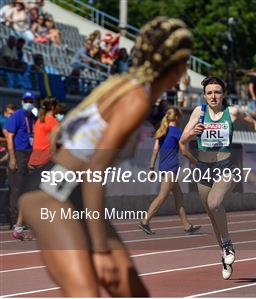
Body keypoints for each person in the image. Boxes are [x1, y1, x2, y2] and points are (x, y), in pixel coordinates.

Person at [18, 17, 193, 296]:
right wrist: (99, 249)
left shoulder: (123, 86)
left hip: (70, 191)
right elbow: (95, 168)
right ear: (181, 67)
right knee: (87, 292)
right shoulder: (136, 98)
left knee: (132, 291)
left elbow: (60, 137)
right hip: (51, 196)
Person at [180, 76, 256, 280]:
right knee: (213, 218)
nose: (213, 96)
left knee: (215, 204)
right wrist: (192, 132)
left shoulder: (232, 112)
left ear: (223, 94)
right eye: (210, 93)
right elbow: (183, 140)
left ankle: (228, 244)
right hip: (204, 168)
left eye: (217, 92)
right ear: (204, 95)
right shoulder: (199, 112)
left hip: (226, 166)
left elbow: (254, 123)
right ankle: (224, 252)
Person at [138, 107, 201, 235]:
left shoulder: (162, 132)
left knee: (179, 196)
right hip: (170, 169)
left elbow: (155, 150)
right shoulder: (177, 132)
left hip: (164, 167)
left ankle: (187, 226)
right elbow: (184, 151)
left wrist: (151, 168)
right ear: (177, 118)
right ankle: (145, 221)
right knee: (162, 197)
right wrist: (196, 162)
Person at [6, 91, 36, 240]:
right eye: (26, 100)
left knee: (27, 188)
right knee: (17, 188)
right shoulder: (17, 116)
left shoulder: (32, 117)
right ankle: (15, 221)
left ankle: (23, 221)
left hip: (29, 154)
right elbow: (9, 136)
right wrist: (12, 158)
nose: (28, 102)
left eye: (30, 100)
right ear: (22, 101)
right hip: (18, 153)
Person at [28, 97, 60, 169]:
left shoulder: (39, 120)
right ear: (52, 107)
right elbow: (53, 144)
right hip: (45, 161)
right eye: (58, 105)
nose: (59, 107)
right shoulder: (54, 122)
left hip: (34, 160)